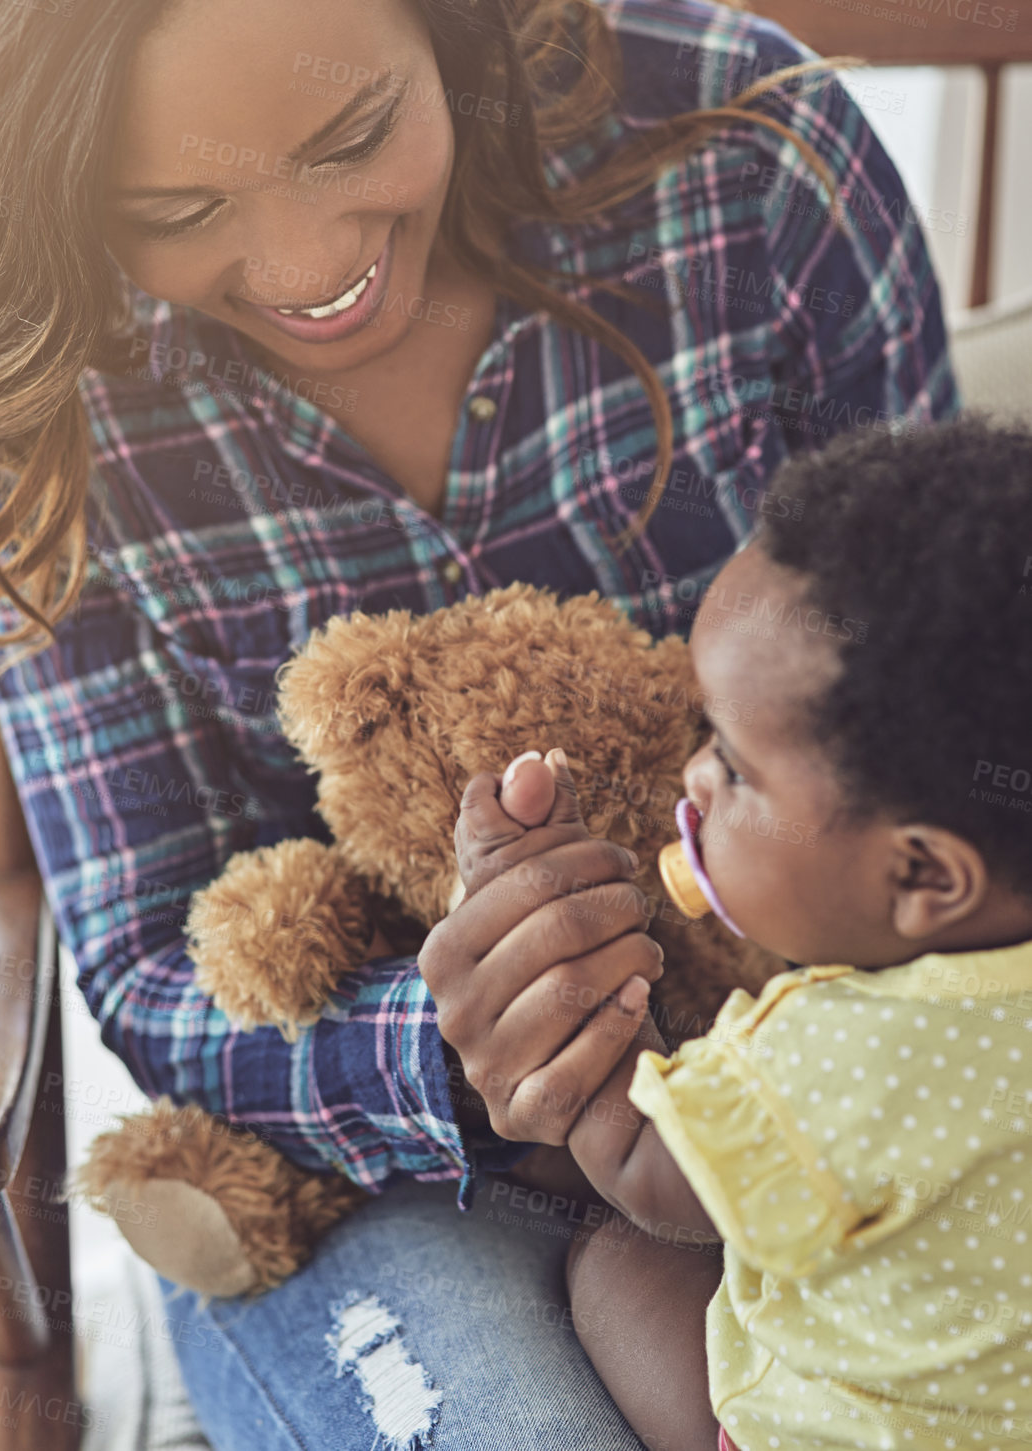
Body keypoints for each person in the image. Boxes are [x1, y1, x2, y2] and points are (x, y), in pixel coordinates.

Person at [0, 0, 957, 1444]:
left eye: (354, 128)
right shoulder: (43, 405)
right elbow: (156, 954)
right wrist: (438, 1047)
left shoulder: (748, 166)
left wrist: (779, 1078)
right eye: (175, 204)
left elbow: (957, 704)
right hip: (364, 1173)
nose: (307, 264)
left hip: (836, 1076)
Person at [428, 415, 1032, 1451]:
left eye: (736, 765)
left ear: (924, 874)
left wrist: (542, 935)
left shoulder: (832, 1055)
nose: (695, 778)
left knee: (620, 1260)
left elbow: (650, 1174)